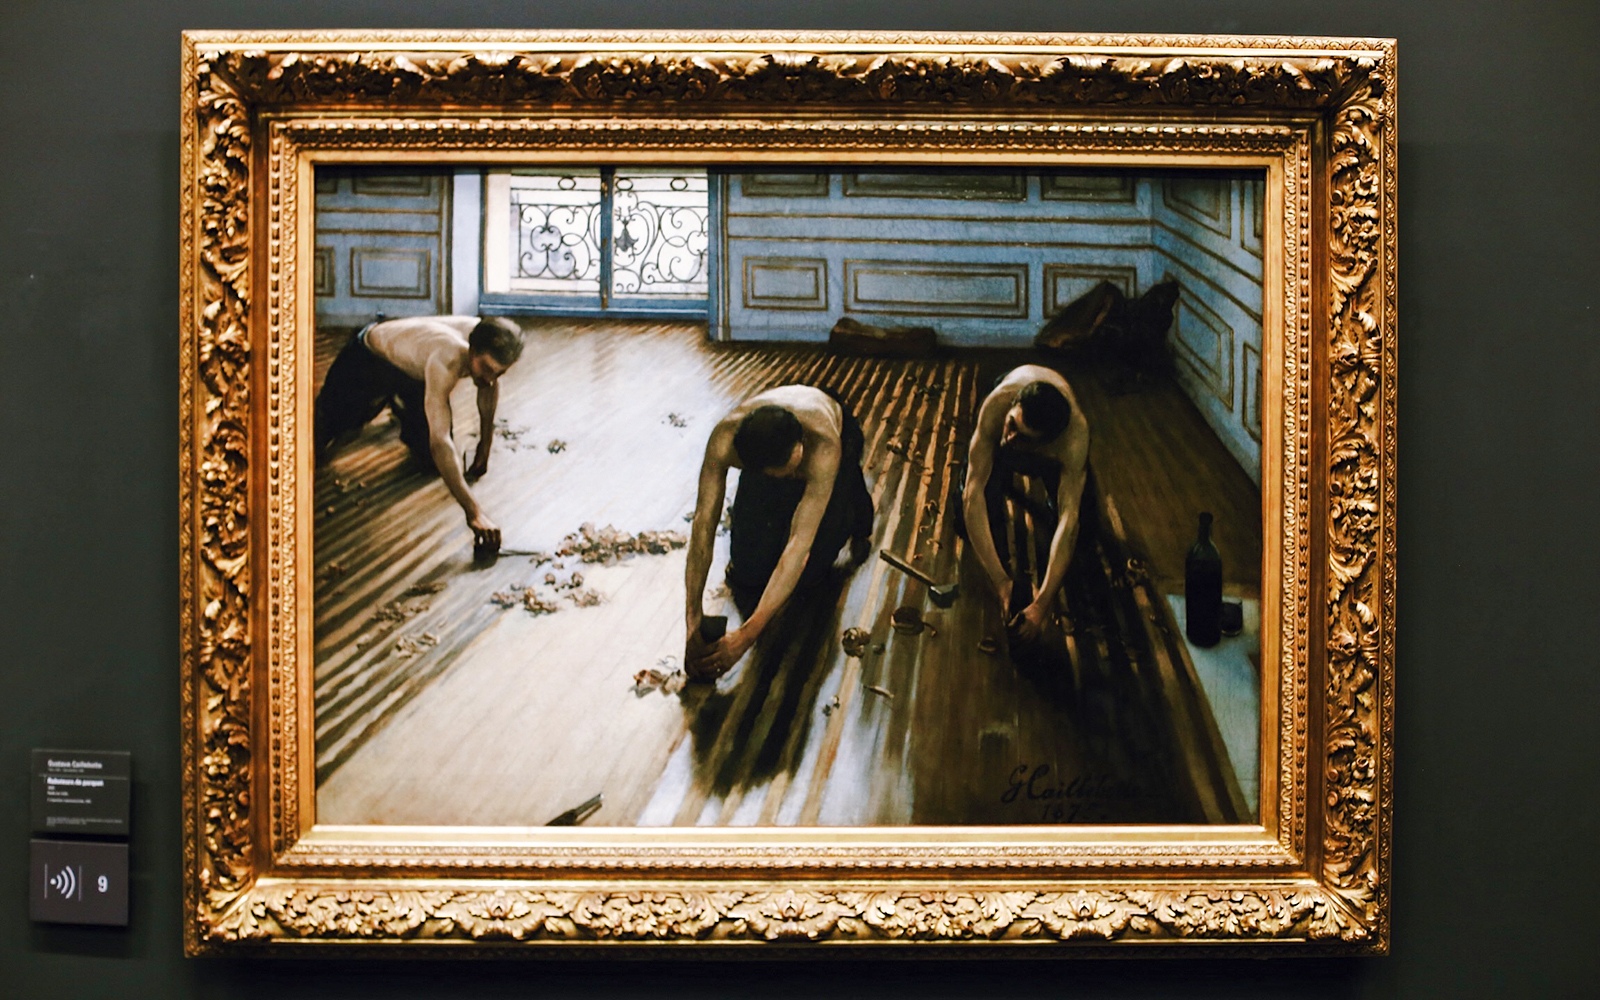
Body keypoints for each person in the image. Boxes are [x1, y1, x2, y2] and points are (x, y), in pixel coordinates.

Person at [684, 385, 875, 679]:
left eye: (795, 469)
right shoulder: (723, 441)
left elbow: (799, 544)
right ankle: (788, 480)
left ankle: (852, 494)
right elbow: (703, 526)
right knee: (746, 569)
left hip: (837, 440)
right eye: (785, 473)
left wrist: (746, 637)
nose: (792, 476)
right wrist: (692, 620)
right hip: (775, 458)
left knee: (811, 574)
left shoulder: (823, 447)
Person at [313, 315, 524, 550]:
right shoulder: (447, 358)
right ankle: (385, 403)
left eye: (499, 373)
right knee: (322, 436)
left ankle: (398, 405)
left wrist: (484, 449)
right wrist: (474, 512)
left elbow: (488, 385)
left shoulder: (487, 338)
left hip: (416, 372)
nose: (491, 379)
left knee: (432, 463)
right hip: (368, 359)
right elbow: (440, 442)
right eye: (486, 369)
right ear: (472, 350)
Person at [960, 365, 1090, 644]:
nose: (1008, 438)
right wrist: (1002, 583)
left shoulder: (1074, 439)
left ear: (1047, 444)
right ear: (1013, 406)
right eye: (1011, 426)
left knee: (1082, 529)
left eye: (1023, 437)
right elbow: (972, 495)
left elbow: (1069, 522)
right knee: (968, 517)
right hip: (1013, 391)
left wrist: (1041, 606)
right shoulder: (998, 405)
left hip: (1047, 451)